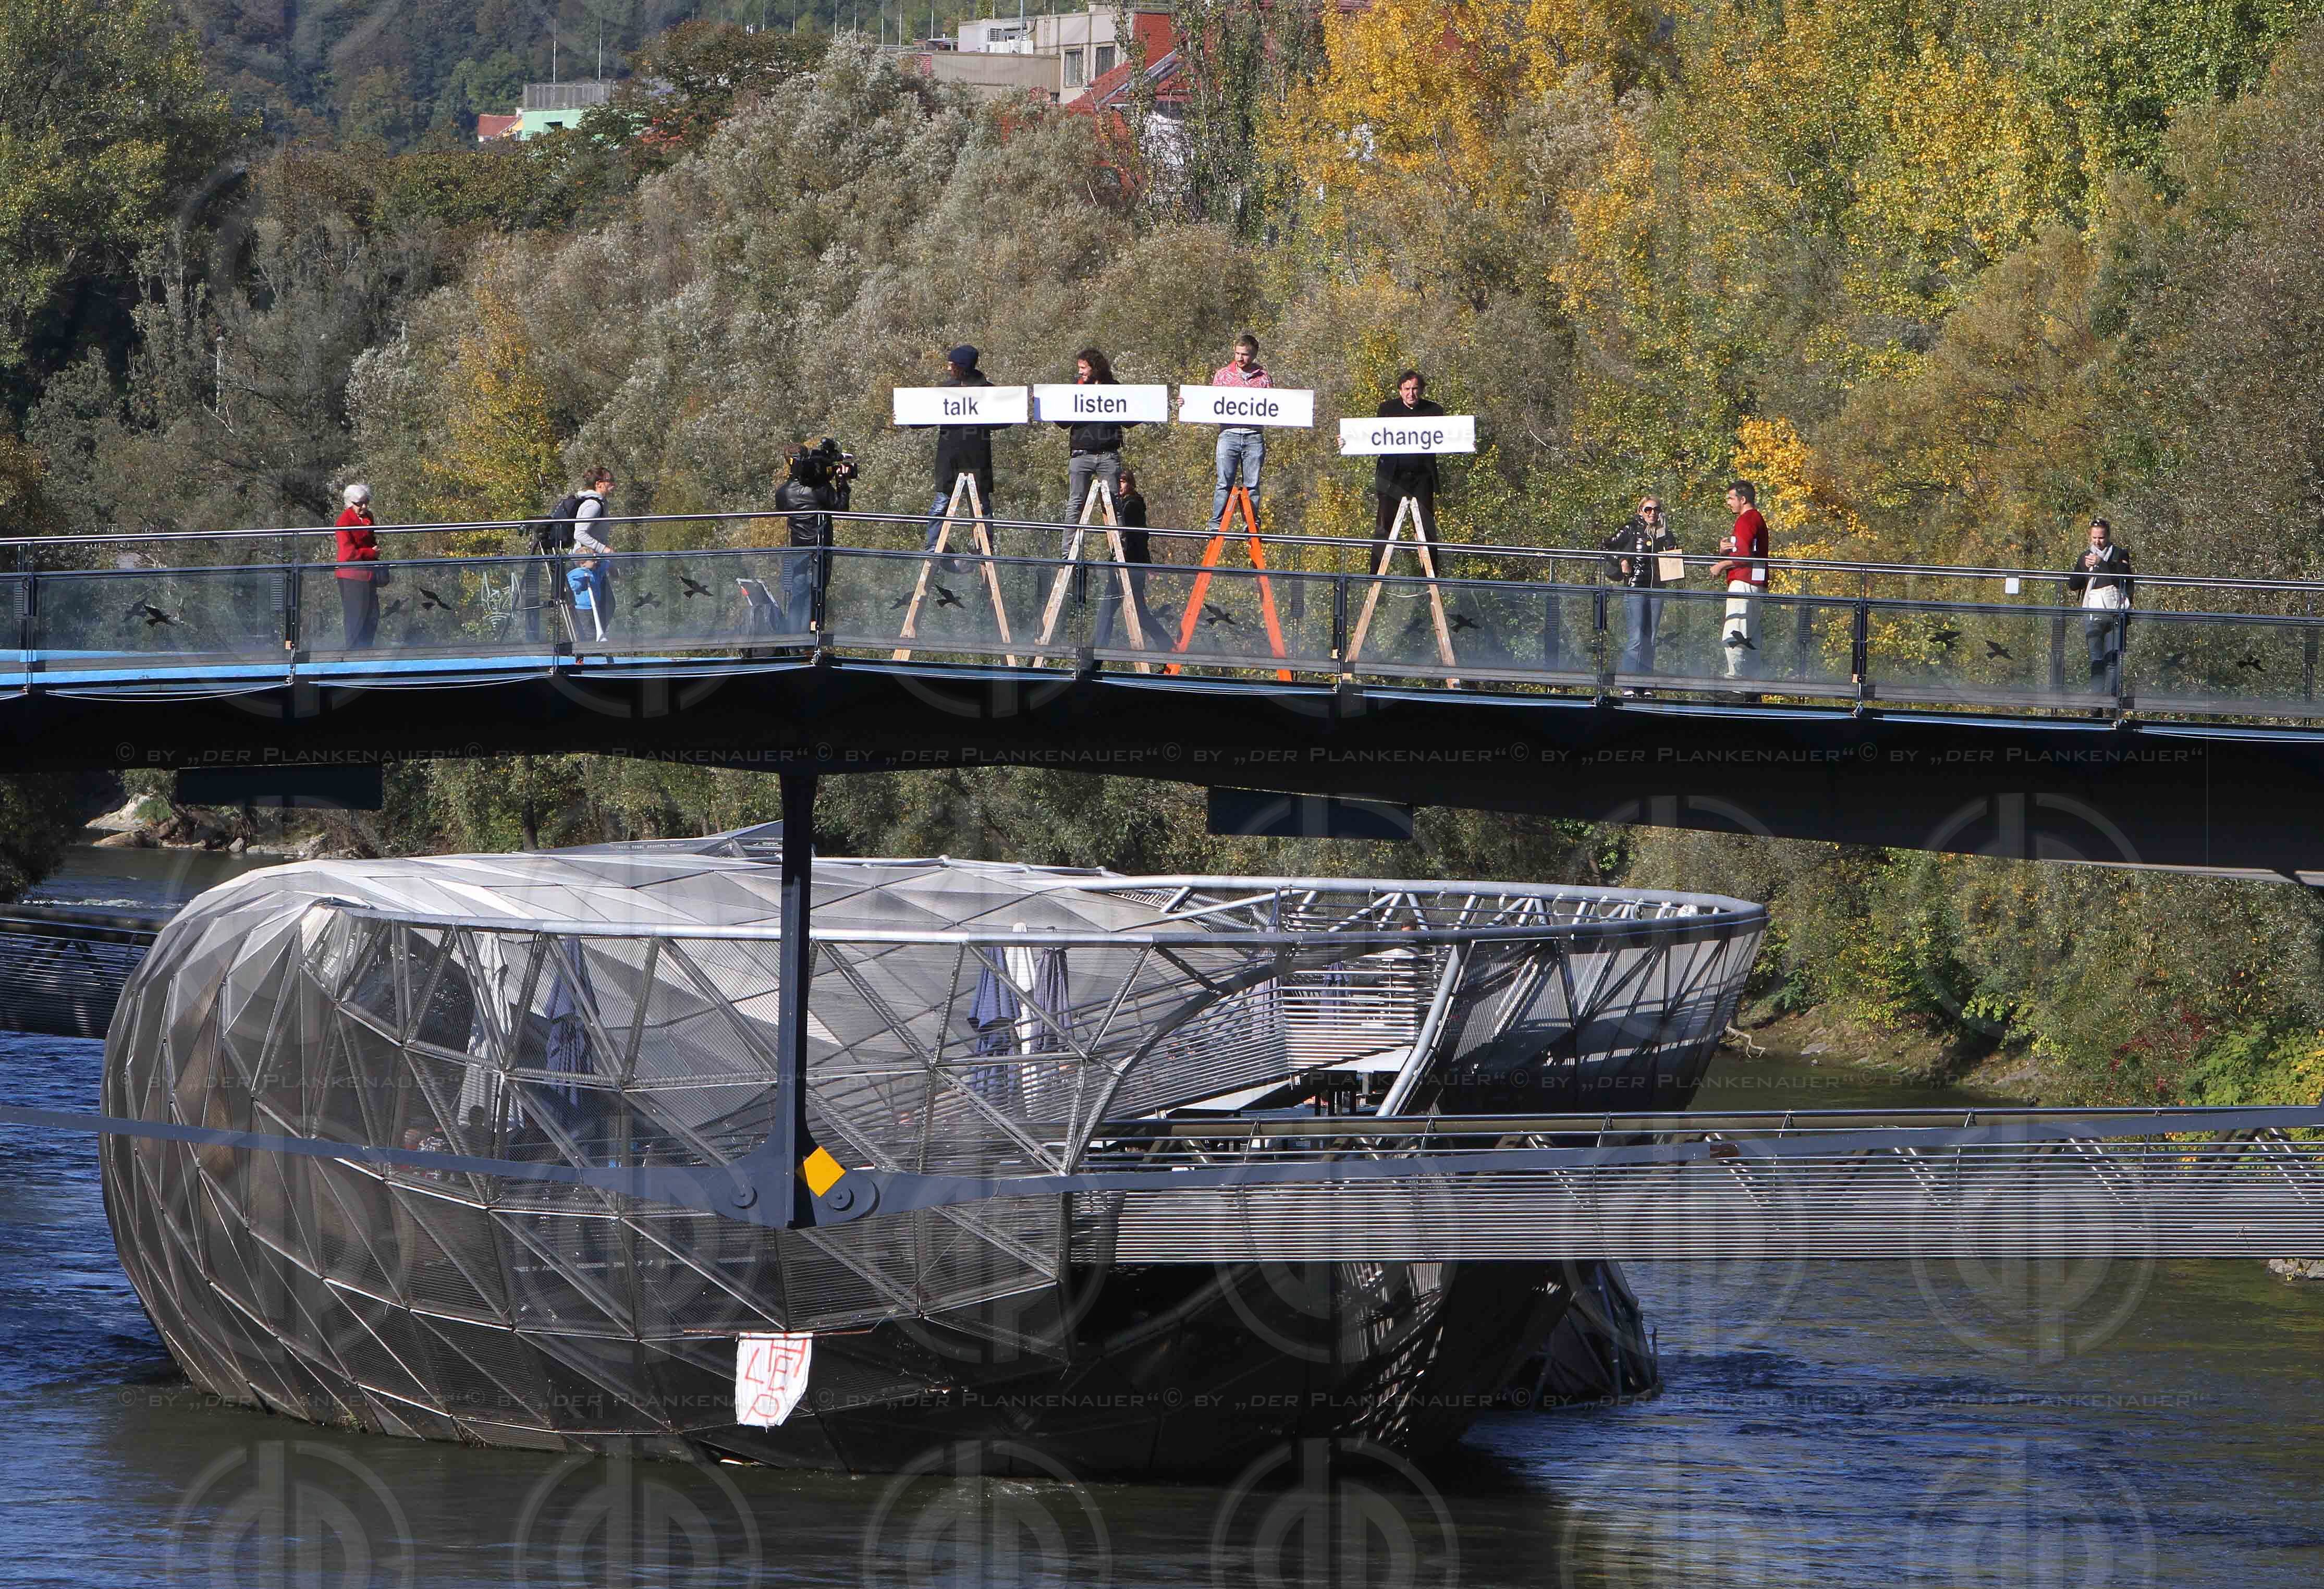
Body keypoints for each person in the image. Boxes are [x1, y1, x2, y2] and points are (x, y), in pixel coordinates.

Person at [1057, 348, 1135, 548]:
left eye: (1084, 368)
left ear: (1095, 367)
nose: (1080, 372)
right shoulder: (1076, 389)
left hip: (1108, 456)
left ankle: (1118, 552)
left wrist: (1153, 409)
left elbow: (1129, 419)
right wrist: (1046, 407)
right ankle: (1068, 553)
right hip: (1081, 455)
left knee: (1113, 504)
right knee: (1075, 504)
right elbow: (1064, 422)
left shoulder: (1114, 389)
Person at [924, 344, 997, 555]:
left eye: (953, 364)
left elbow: (1004, 419)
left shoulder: (988, 391)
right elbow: (924, 416)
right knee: (941, 504)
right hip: (949, 459)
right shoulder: (945, 390)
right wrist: (905, 415)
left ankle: (984, 547)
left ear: (963, 367)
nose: (949, 368)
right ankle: (933, 546)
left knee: (982, 506)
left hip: (977, 458)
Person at [774, 438, 853, 631]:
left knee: (798, 593)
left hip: (797, 548)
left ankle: (795, 638)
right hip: (820, 547)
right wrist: (841, 482)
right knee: (817, 593)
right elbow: (842, 507)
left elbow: (782, 508)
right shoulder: (820, 490)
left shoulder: (783, 493)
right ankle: (812, 635)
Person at [1372, 371, 1448, 570]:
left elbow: (1451, 436)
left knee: (1427, 529)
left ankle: (1430, 577)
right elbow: (1369, 437)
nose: (1411, 393)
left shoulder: (1434, 411)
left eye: (1415, 389)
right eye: (1407, 389)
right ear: (1400, 390)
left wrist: (1466, 442)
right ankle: (1373, 576)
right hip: (1392, 477)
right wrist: (1347, 441)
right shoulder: (1387, 410)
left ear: (1421, 390)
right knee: (1384, 527)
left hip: (1422, 478)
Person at [1603, 496, 1679, 693]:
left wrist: (1666, 537)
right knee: (1636, 637)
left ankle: (1645, 685)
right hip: (1635, 588)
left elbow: (1673, 555)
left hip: (1657, 589)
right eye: (1648, 510)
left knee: (1650, 639)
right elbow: (1605, 546)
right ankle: (1628, 684)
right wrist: (1622, 559)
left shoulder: (1664, 532)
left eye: (1656, 509)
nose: (1652, 513)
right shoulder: (1631, 529)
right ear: (1641, 512)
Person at [1093, 465, 1166, 651]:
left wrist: (1143, 565)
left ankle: (1097, 651)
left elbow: (1138, 538)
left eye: (1123, 481)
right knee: (1138, 613)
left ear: (1130, 483)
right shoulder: (1130, 504)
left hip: (1128, 565)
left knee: (1107, 610)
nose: (1119, 485)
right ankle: (1167, 645)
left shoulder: (1131, 505)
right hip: (1130, 564)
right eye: (1117, 482)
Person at [2064, 517, 2133, 702]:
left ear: (2108, 536)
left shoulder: (2120, 554)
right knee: (2096, 660)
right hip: (2093, 613)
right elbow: (2073, 585)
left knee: (2113, 660)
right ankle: (2096, 703)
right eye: (2094, 538)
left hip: (2115, 614)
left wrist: (2102, 563)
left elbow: (2124, 577)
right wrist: (2083, 569)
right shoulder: (2085, 556)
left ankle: (2112, 702)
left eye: (2101, 538)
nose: (2097, 542)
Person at [1710, 480, 1768, 693]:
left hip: (1744, 584)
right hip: (1754, 584)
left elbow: (1745, 555)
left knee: (1734, 633)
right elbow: (1746, 550)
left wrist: (1721, 565)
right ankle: (1750, 685)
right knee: (1749, 635)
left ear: (1743, 499)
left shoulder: (1747, 519)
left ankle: (1736, 685)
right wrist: (1726, 551)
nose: (1728, 502)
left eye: (1731, 498)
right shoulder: (1755, 519)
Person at [1209, 333, 1270, 530]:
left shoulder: (1263, 378)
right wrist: (1187, 403)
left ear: (1254, 355)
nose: (1240, 358)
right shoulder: (1222, 375)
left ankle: (1251, 524)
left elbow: (1275, 406)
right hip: (1229, 435)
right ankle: (1216, 525)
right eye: (1237, 353)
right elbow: (1208, 403)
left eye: (1245, 355)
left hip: (1254, 436)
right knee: (1224, 483)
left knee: (1252, 484)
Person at [565, 467, 615, 640]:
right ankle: (589, 644)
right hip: (585, 562)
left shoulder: (599, 503)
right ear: (599, 484)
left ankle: (591, 642)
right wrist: (603, 549)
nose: (613, 485)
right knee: (598, 605)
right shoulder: (593, 505)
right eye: (610, 481)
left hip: (593, 561)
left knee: (604, 604)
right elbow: (579, 534)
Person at [334, 482, 382, 649]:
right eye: (360, 503)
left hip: (368, 574)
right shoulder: (344, 521)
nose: (365, 506)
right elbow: (347, 554)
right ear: (350, 503)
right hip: (351, 576)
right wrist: (370, 553)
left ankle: (366, 649)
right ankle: (354, 652)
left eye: (366, 502)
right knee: (355, 616)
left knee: (373, 614)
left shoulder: (368, 518)